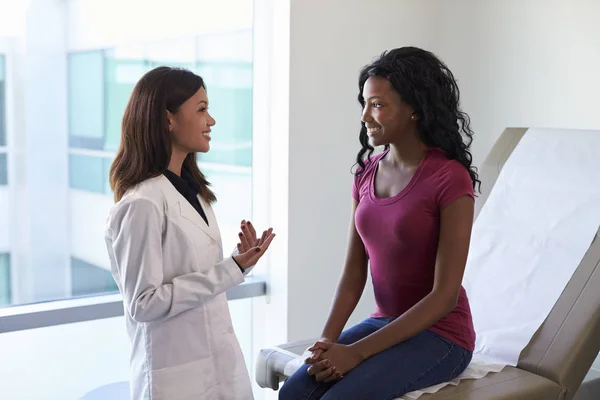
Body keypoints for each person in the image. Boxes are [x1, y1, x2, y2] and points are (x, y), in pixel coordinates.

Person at [279, 46, 480, 400]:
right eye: (364, 103)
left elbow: (444, 297)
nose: (365, 116)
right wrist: (326, 342)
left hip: (443, 336)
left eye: (377, 104)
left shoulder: (450, 178)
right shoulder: (365, 174)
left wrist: (355, 352)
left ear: (415, 109)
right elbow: (354, 273)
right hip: (385, 322)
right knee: (294, 394)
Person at [105, 66, 275, 400]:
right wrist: (231, 270)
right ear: (168, 119)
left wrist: (241, 263)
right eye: (201, 109)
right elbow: (143, 303)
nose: (211, 121)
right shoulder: (142, 204)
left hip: (218, 365)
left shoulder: (192, 192)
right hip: (174, 379)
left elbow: (196, 276)